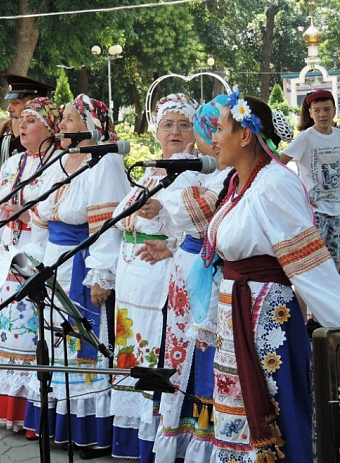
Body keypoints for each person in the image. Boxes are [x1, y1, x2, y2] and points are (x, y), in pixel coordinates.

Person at [206, 88, 340, 462]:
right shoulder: (237, 185)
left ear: (245, 134)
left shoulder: (274, 183)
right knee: (237, 411)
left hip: (266, 319)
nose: (214, 139)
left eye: (219, 129)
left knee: (276, 403)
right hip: (237, 312)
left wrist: (338, 320)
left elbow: (308, 263)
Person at [22, 95, 130, 459]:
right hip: (54, 262)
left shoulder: (106, 161)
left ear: (91, 124)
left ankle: (89, 431)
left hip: (84, 264)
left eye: (70, 118)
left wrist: (101, 275)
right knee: (56, 341)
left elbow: (106, 226)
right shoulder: (59, 161)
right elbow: (41, 214)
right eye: (64, 118)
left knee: (83, 341)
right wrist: (34, 262)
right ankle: (62, 425)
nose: (63, 125)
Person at [0, 97, 62, 433]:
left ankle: (34, 416)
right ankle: (10, 411)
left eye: (31, 121)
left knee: (34, 339)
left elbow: (52, 217)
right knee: (8, 340)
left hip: (40, 257)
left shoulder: (58, 163)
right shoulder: (12, 164)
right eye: (22, 120)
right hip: (9, 258)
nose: (22, 126)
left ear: (50, 127)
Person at [137, 95, 232, 462]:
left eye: (210, 130)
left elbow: (203, 211)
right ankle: (183, 436)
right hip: (187, 267)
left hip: (204, 272)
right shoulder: (208, 171)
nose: (212, 138)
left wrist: (162, 208)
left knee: (202, 353)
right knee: (183, 352)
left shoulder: (210, 173)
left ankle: (205, 440)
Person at [110, 93, 199, 461]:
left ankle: (158, 438)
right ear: (156, 131)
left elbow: (198, 229)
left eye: (183, 124)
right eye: (167, 124)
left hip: (161, 275)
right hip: (132, 276)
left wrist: (169, 240)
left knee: (156, 352)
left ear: (195, 131)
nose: (174, 131)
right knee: (133, 350)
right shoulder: (148, 170)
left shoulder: (193, 171)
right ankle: (133, 439)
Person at [280, 89, 340, 272]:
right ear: (310, 113)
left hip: (337, 210)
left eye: (327, 109)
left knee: (336, 262)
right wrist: (299, 193)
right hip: (316, 211)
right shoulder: (306, 138)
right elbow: (279, 165)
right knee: (313, 264)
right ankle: (305, 301)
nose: (323, 114)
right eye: (317, 110)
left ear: (334, 111)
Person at [0, 73, 55, 181]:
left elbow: (33, 171)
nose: (9, 109)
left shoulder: (49, 135)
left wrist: (18, 138)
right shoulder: (7, 136)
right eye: (9, 103)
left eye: (16, 103)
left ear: (36, 106)